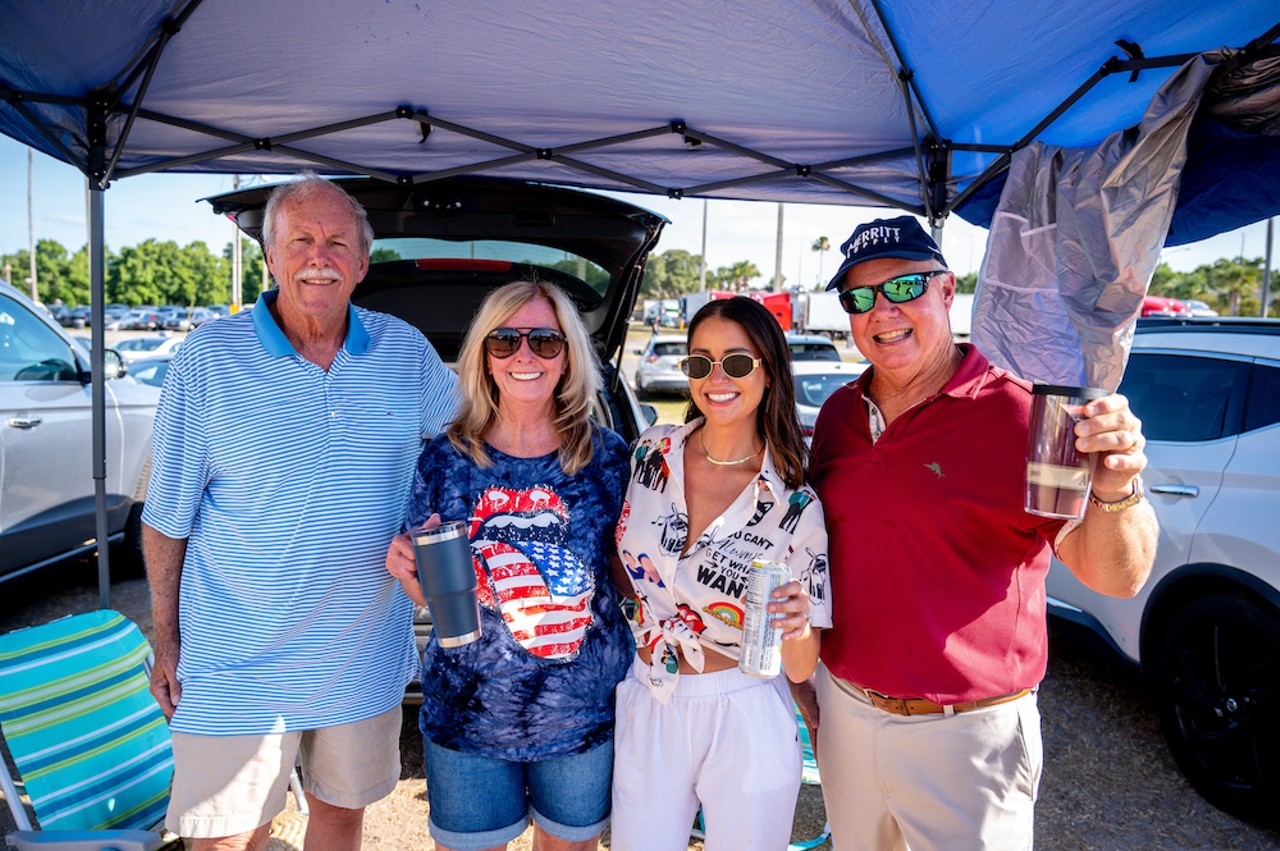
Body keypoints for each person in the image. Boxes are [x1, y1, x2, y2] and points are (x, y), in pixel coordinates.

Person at [807, 215, 1158, 850]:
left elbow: (1115, 575)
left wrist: (1117, 487)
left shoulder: (1027, 416)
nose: (882, 311)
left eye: (904, 287)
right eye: (860, 299)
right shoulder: (838, 415)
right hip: (846, 714)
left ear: (946, 291)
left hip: (967, 737)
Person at [142, 174, 460, 850]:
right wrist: (167, 639)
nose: (321, 256)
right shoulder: (207, 358)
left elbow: (477, 442)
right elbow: (166, 517)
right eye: (303, 240)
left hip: (362, 655)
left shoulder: (404, 351)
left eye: (338, 242)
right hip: (236, 658)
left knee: (341, 817)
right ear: (271, 256)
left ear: (364, 261)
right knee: (226, 837)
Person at [384, 280, 634, 851]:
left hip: (580, 716)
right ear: (484, 358)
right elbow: (437, 598)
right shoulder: (443, 458)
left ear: (568, 355)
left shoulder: (609, 458)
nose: (525, 355)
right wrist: (406, 571)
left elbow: (627, 576)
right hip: (468, 716)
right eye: (505, 341)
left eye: (545, 341)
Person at [609, 296, 831, 851]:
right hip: (648, 692)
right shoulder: (649, 452)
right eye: (699, 362)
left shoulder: (794, 501)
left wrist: (798, 624)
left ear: (768, 370)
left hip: (745, 705)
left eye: (736, 362)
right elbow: (617, 559)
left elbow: (802, 666)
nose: (716, 378)